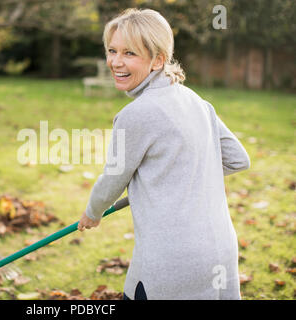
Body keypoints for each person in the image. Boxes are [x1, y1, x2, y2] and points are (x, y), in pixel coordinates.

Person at [77, 8, 250, 300]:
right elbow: (238, 159)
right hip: (220, 252)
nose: (115, 62)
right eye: (112, 50)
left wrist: (93, 213)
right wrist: (177, 177)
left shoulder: (135, 115)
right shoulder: (194, 99)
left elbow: (112, 181)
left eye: (129, 53)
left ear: (158, 59)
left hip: (173, 262)